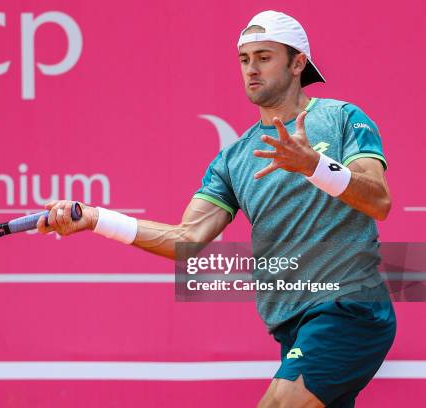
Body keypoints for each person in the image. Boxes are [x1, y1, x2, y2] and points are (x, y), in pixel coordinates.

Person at [37, 10, 396, 408]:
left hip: (349, 308)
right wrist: (96, 218)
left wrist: (314, 166)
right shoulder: (232, 159)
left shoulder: (343, 118)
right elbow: (185, 239)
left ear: (298, 63)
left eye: (264, 57)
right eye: (244, 60)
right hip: (292, 325)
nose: (251, 69)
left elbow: (378, 200)